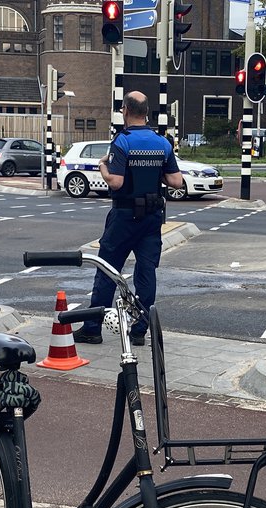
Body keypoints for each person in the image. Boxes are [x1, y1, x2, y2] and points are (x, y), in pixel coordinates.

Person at [75, 91, 185, 346]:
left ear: (125, 110)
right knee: (146, 273)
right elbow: (176, 181)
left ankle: (92, 328)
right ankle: (139, 330)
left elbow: (116, 182)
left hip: (124, 217)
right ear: (147, 112)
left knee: (107, 270)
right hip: (151, 219)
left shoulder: (122, 142)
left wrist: (102, 166)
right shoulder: (162, 143)